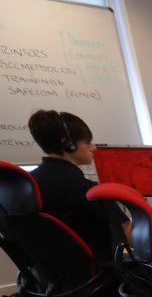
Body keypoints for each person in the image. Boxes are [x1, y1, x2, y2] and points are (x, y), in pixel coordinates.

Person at [27, 110, 119, 258]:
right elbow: (129, 236)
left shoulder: (28, 185)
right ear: (68, 144)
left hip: (49, 276)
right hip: (102, 273)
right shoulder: (89, 190)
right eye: (87, 142)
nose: (93, 147)